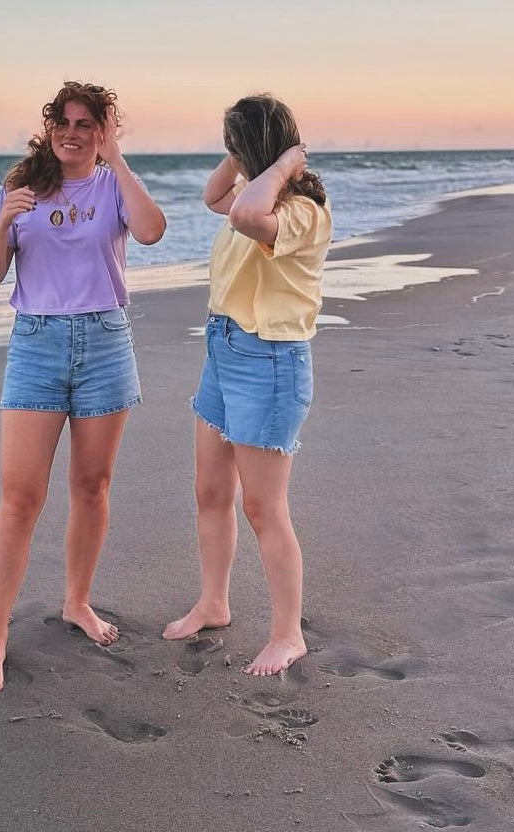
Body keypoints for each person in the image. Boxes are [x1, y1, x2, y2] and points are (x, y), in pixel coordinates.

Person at [0, 81, 166, 692]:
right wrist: (2, 222)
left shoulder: (112, 186)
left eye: (88, 124)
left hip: (105, 342)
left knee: (92, 484)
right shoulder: (22, 189)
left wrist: (118, 160)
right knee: (20, 497)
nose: (73, 132)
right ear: (50, 125)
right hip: (37, 343)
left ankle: (77, 602)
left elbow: (153, 230)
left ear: (103, 131)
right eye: (65, 121)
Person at [163, 94, 331, 676]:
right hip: (222, 351)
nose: (228, 158)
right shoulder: (250, 194)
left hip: (270, 363)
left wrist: (286, 164)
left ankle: (289, 634)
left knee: (263, 507)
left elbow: (242, 217)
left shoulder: (301, 213)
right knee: (210, 492)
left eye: (234, 144)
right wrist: (243, 160)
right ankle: (214, 602)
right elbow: (215, 199)